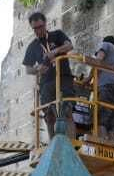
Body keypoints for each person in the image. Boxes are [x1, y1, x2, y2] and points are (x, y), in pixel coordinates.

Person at [22, 11, 76, 139]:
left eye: (40, 27)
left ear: (45, 24)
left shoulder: (57, 35)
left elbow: (69, 46)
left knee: (66, 111)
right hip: (46, 84)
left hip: (63, 79)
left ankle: (71, 146)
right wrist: (37, 69)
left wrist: (55, 51)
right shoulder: (32, 46)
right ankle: (53, 148)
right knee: (49, 116)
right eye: (34, 28)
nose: (38, 31)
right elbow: (28, 69)